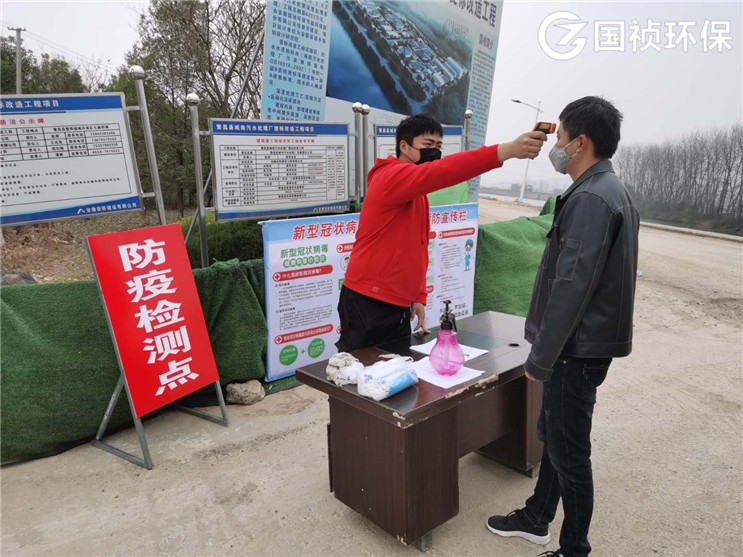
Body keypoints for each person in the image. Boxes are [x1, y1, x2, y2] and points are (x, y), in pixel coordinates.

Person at [486, 96, 640, 557]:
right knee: (557, 437)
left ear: (580, 142)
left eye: (560, 137)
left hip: (575, 349)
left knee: (570, 452)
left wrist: (541, 357)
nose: (555, 147)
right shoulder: (607, 189)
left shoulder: (591, 198)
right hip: (582, 346)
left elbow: (571, 287)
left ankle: (574, 549)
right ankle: (538, 516)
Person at [336, 114, 546, 352]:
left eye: (438, 146)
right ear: (404, 146)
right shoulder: (390, 176)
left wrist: (418, 296)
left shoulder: (416, 190)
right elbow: (443, 170)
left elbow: (417, 246)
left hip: (397, 300)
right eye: (427, 144)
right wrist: (506, 151)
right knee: (355, 366)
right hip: (369, 298)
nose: (434, 151)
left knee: (390, 364)